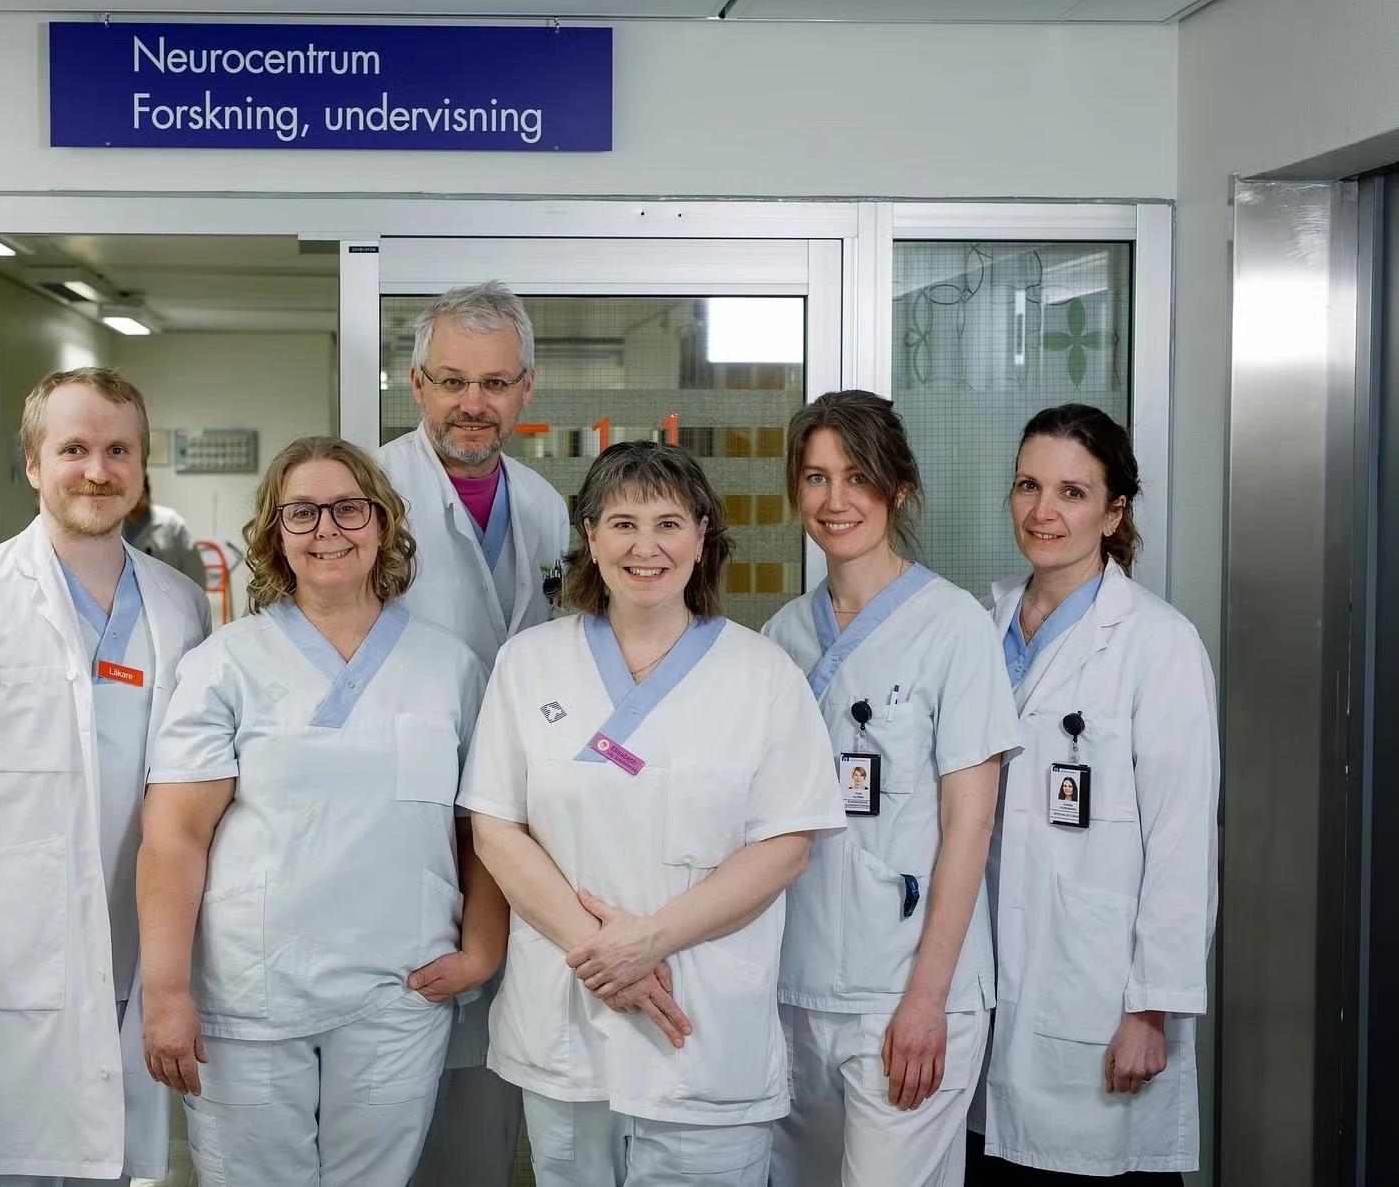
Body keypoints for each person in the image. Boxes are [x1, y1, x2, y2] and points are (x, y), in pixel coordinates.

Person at [461, 441, 846, 1187]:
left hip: (702, 1026)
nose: (647, 547)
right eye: (624, 523)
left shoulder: (761, 673)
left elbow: (786, 845)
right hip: (569, 1017)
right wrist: (604, 956)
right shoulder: (528, 664)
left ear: (703, 537)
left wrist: (648, 945)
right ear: (590, 536)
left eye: (669, 523)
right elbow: (496, 829)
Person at [137, 435, 495, 1185]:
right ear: (275, 532)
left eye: (348, 508)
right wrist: (167, 990)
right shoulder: (224, 667)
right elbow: (174, 837)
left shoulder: (451, 667)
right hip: (251, 995)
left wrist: (483, 950)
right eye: (301, 513)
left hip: (397, 987)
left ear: (383, 523)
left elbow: (483, 826)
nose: (327, 529)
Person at [0, 367, 213, 1186]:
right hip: (9, 951)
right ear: (34, 463)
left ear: (143, 467)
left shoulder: (180, 603)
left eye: (118, 450)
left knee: (116, 1164)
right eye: (73, 448)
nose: (97, 470)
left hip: (135, 944)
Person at [761, 391, 1020, 1187]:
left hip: (906, 986)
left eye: (857, 477)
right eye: (815, 477)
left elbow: (970, 828)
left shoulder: (954, 627)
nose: (835, 501)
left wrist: (926, 1000)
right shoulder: (782, 636)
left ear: (899, 489)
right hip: (796, 985)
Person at [969, 404, 1217, 1184]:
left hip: (1101, 996)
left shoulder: (1156, 644)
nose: (1044, 512)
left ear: (1114, 511)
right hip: (988, 988)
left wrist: (1151, 1010)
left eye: (1073, 494)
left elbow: (1183, 841)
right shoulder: (983, 626)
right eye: (1028, 486)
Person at [379, 280, 570, 1185]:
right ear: (415, 384)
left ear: (526, 390)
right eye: (452, 381)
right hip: (405, 815)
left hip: (516, 818)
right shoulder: (371, 497)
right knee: (382, 1124)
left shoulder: (545, 507)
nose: (473, 405)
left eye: (495, 384)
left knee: (486, 1111)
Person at [125, 473, 209, 590]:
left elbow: (196, 575)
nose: (133, 497)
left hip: (171, 604)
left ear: (147, 491)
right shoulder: (110, 525)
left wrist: (193, 606)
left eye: (138, 489)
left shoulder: (172, 524)